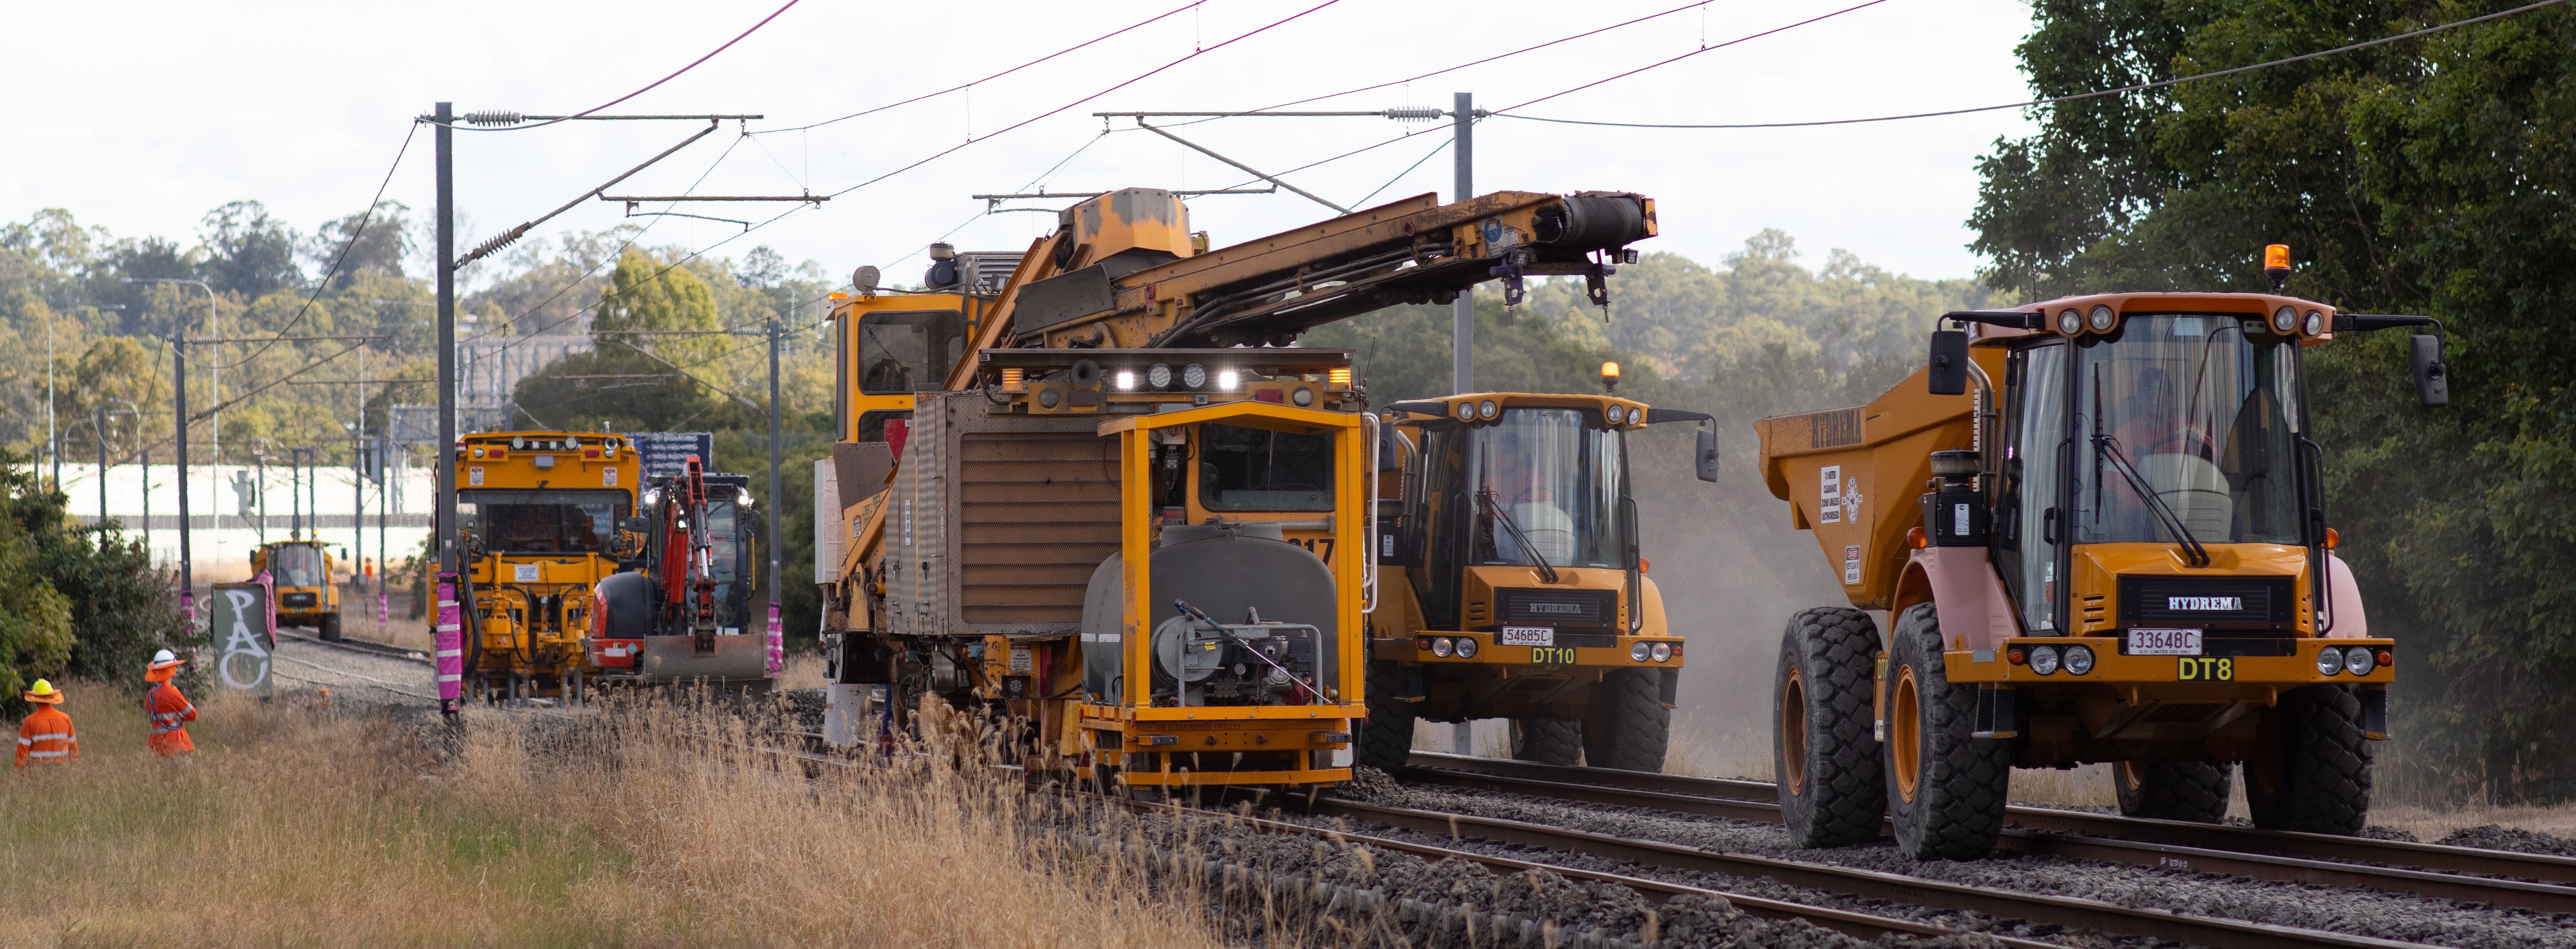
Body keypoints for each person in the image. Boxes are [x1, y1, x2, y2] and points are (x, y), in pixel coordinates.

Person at [143, 649, 197, 758]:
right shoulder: (172, 693)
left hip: (157, 750)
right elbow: (192, 715)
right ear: (173, 670)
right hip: (176, 749)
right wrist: (181, 717)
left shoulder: (151, 694)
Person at [15, 679, 76, 768]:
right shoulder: (65, 719)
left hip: (39, 772)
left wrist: (21, 776)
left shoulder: (29, 721)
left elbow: (22, 754)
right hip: (63, 770)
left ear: (35, 699)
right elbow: (73, 749)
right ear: (51, 697)